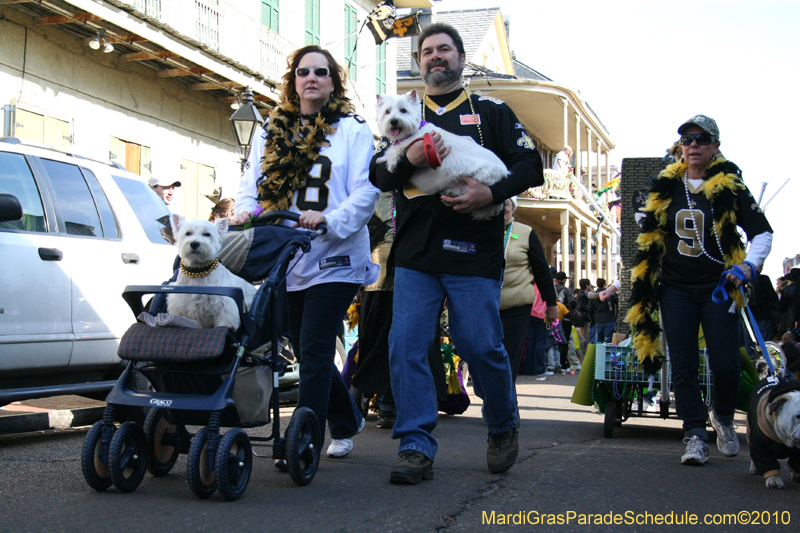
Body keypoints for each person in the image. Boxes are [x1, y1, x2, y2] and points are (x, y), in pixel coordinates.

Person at [369, 23, 544, 484]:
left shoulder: (492, 110)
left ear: (461, 58)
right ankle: (415, 446)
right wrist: (410, 160)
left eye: (444, 49)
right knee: (406, 346)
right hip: (415, 255)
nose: (435, 57)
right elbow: (378, 176)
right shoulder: (398, 113)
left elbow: (531, 164)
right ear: (419, 62)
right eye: (427, 51)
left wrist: (492, 193)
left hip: (473, 253)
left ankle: (503, 424)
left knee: (479, 346)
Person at [231, 45, 379, 460]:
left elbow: (367, 190)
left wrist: (330, 220)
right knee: (301, 345)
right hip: (288, 255)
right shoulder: (270, 130)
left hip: (336, 255)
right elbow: (250, 183)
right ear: (292, 80)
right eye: (302, 72)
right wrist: (245, 211)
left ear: (333, 81)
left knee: (314, 347)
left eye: (320, 71)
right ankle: (347, 420)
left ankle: (305, 439)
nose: (310, 78)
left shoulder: (352, 129)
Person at [626, 114, 773, 466]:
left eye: (701, 139)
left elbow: (762, 232)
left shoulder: (731, 185)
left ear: (715, 147)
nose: (693, 145)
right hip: (675, 288)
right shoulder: (665, 185)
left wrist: (748, 266)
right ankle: (693, 434)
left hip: (719, 286)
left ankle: (721, 415)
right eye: (687, 139)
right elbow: (642, 221)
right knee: (684, 364)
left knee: (725, 363)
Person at [499, 197, 557, 382]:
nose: (502, 208)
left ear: (513, 208)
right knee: (483, 351)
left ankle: (506, 402)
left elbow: (541, 270)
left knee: (509, 355)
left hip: (517, 305)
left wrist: (551, 304)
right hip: (484, 305)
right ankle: (493, 395)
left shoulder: (526, 232)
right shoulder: (481, 230)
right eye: (497, 203)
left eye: (506, 203)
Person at [588, 278, 617, 344]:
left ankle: (598, 353)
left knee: (598, 340)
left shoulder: (593, 296)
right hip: (609, 319)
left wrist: (593, 319)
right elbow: (617, 301)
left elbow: (590, 309)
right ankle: (607, 354)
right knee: (608, 341)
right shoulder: (609, 295)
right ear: (604, 284)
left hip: (598, 320)